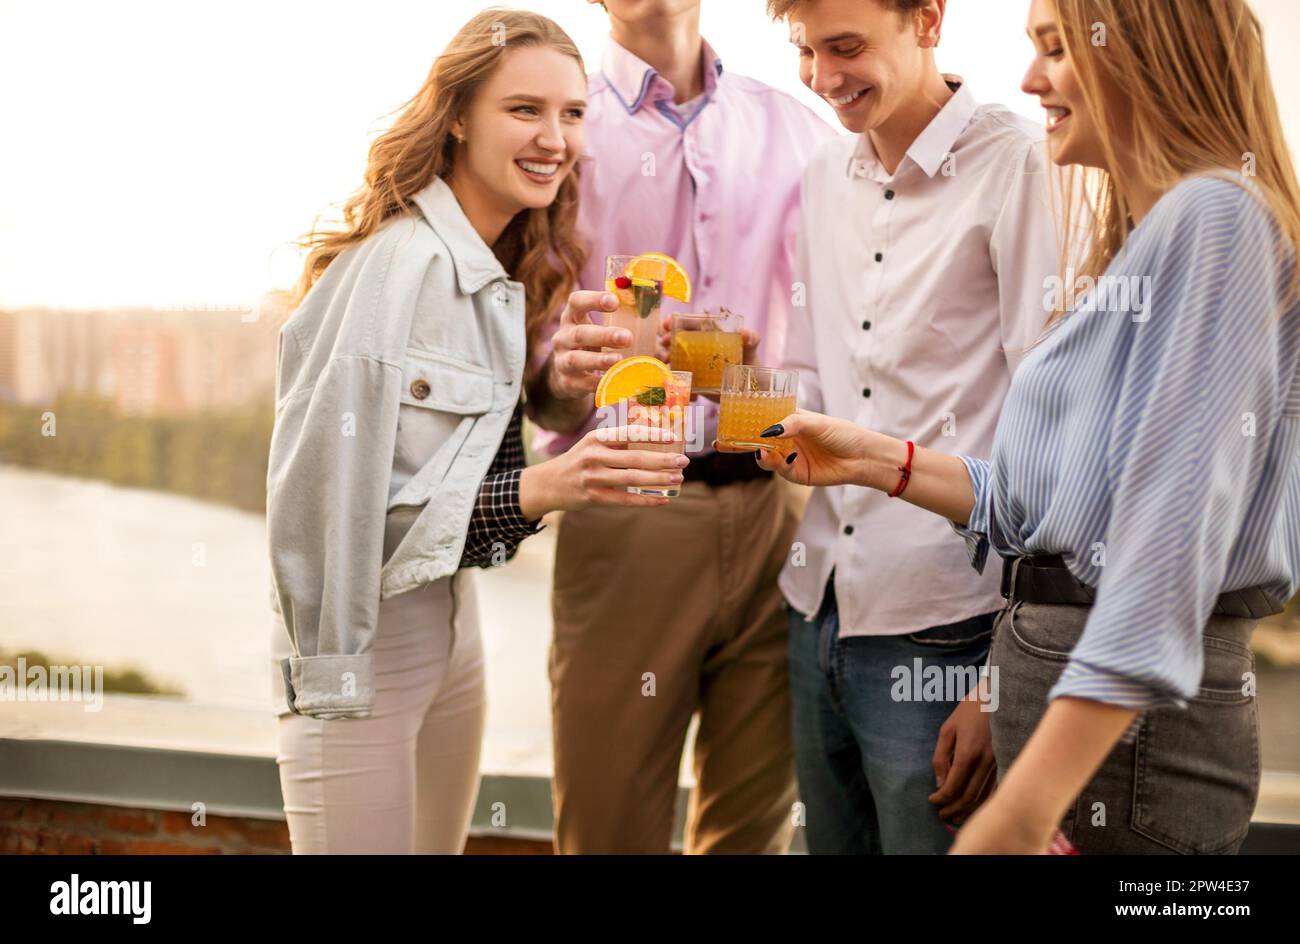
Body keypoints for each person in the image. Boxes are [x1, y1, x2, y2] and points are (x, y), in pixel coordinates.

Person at [731, 0, 1300, 854]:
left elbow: (1160, 568)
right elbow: (1037, 506)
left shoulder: (1213, 220)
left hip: (1120, 754)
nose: (1030, 79)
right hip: (1058, 705)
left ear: (1145, 50)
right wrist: (870, 458)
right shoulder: (1154, 232)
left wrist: (1018, 813)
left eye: (1057, 49)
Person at [266, 9, 688, 855]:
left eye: (572, 114)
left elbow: (459, 449)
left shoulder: (502, 259)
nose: (554, 137)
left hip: (451, 630)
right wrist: (554, 485)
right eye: (524, 110)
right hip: (358, 647)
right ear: (457, 116)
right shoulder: (394, 268)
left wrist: (559, 392)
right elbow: (321, 518)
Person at [523, 0, 836, 854]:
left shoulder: (805, 134)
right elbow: (537, 391)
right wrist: (565, 371)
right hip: (626, 511)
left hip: (783, 514)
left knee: (754, 835)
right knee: (608, 831)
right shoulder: (559, 139)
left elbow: (845, 340)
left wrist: (757, 382)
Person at [759, 0, 1060, 853]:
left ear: (927, 21)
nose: (823, 79)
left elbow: (1049, 436)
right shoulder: (822, 174)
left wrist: (1003, 678)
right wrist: (717, 379)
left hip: (950, 626)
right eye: (807, 50)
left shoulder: (1021, 165)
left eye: (846, 47)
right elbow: (810, 372)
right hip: (816, 604)